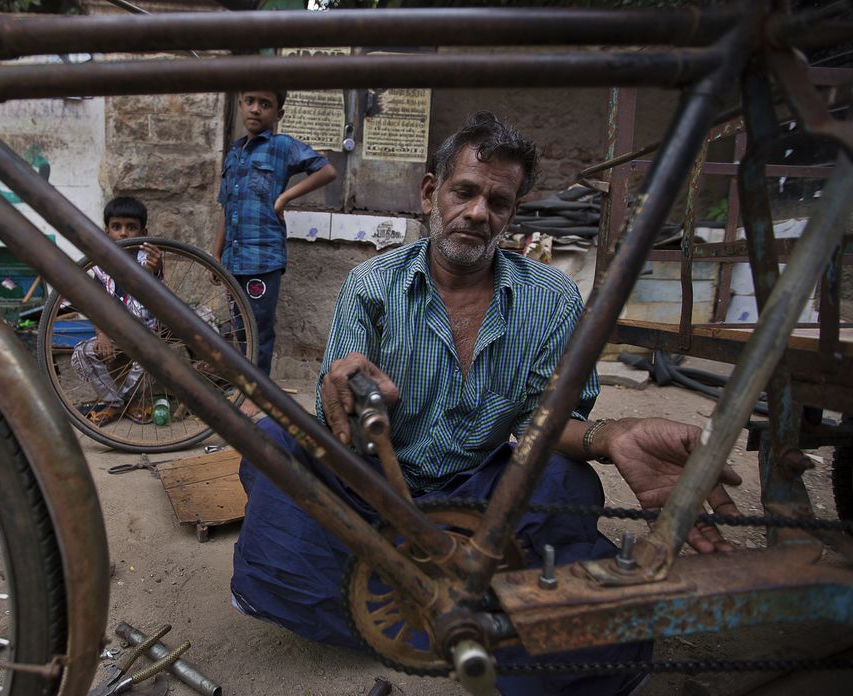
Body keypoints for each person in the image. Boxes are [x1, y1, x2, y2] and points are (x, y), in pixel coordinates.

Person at [230, 113, 742, 695]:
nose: (478, 213)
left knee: (564, 481)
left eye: (498, 201)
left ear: (512, 213)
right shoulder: (371, 284)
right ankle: (482, 618)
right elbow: (338, 429)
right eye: (465, 192)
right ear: (431, 193)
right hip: (379, 496)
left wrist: (613, 436)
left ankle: (410, 606)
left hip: (487, 509)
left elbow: (545, 426)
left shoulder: (550, 298)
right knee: (273, 446)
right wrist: (353, 395)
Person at [215, 89, 338, 386]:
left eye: (265, 104)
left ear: (278, 114)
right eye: (249, 102)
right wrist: (216, 254)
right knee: (240, 326)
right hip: (233, 258)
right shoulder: (233, 153)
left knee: (259, 326)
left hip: (263, 258)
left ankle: (256, 393)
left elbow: (327, 170)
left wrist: (284, 197)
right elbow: (225, 207)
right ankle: (244, 386)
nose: (256, 109)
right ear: (240, 105)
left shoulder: (282, 146)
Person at [71, 195, 164, 425]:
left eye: (131, 227)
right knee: (82, 353)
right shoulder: (99, 265)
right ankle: (114, 403)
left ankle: (126, 402)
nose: (123, 233)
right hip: (113, 332)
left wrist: (155, 269)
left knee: (153, 353)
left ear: (143, 232)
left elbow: (158, 293)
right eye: (116, 227)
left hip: (145, 333)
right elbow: (95, 303)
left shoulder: (149, 259)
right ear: (106, 232)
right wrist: (102, 334)